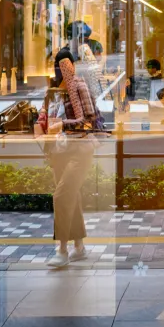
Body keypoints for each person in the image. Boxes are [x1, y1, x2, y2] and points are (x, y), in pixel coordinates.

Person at [40, 48, 98, 268]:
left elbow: (88, 120)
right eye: (57, 64)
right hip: (59, 151)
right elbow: (45, 116)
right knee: (70, 196)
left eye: (63, 64)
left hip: (80, 150)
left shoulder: (79, 87)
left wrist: (62, 125)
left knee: (61, 196)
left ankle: (62, 249)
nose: (60, 69)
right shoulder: (54, 90)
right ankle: (79, 247)